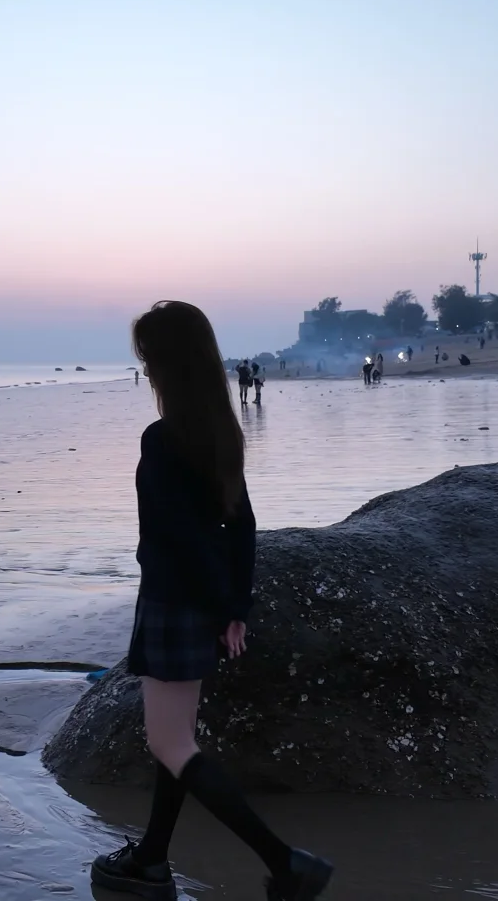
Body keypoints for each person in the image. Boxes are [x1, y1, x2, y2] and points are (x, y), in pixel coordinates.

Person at [91, 301, 333, 901]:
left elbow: (179, 538)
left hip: (174, 602)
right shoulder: (220, 430)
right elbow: (241, 526)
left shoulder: (163, 438)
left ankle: (285, 863)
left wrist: (217, 604)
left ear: (166, 362)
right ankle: (150, 858)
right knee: (175, 740)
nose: (144, 368)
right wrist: (233, 609)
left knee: (171, 744)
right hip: (202, 604)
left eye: (148, 357)